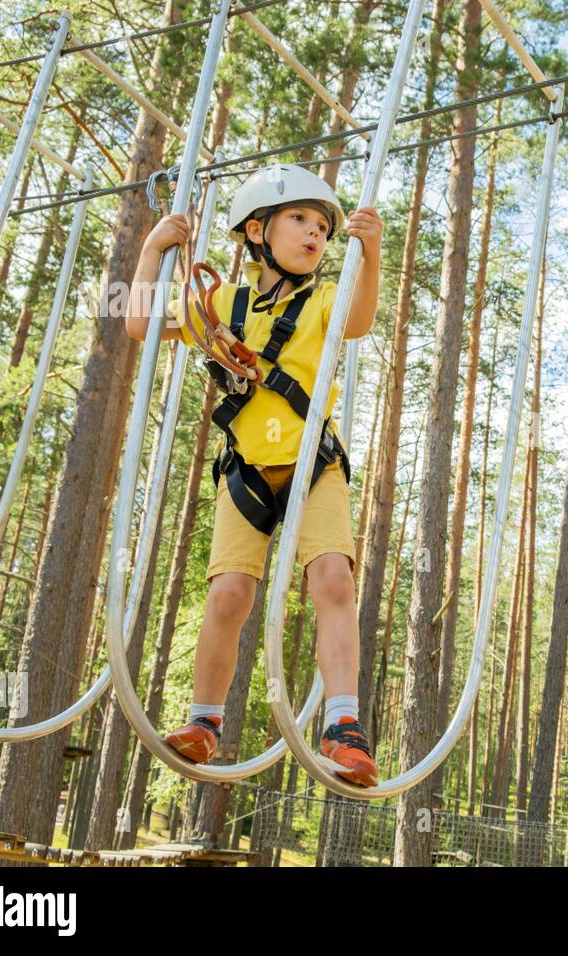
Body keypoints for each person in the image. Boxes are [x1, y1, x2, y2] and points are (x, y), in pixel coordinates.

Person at [125, 163, 383, 786]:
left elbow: (359, 321)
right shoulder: (221, 303)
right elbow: (138, 324)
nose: (315, 233)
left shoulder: (323, 299)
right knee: (228, 595)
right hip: (246, 470)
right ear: (257, 232)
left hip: (311, 464)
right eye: (299, 219)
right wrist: (151, 249)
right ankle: (204, 722)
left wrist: (367, 253)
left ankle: (344, 727)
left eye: (323, 226)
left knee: (332, 579)